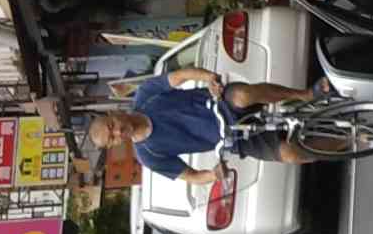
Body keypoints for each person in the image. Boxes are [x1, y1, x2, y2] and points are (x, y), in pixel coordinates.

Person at [88, 63, 317, 183]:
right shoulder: (149, 156)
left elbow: (181, 76)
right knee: (290, 154)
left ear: (113, 113)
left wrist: (209, 79)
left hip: (221, 103)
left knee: (243, 96)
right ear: (115, 145)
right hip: (232, 139)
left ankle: (304, 94)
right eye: (113, 139)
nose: (118, 132)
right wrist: (213, 174)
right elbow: (191, 176)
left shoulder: (146, 95)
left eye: (111, 126)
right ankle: (336, 147)